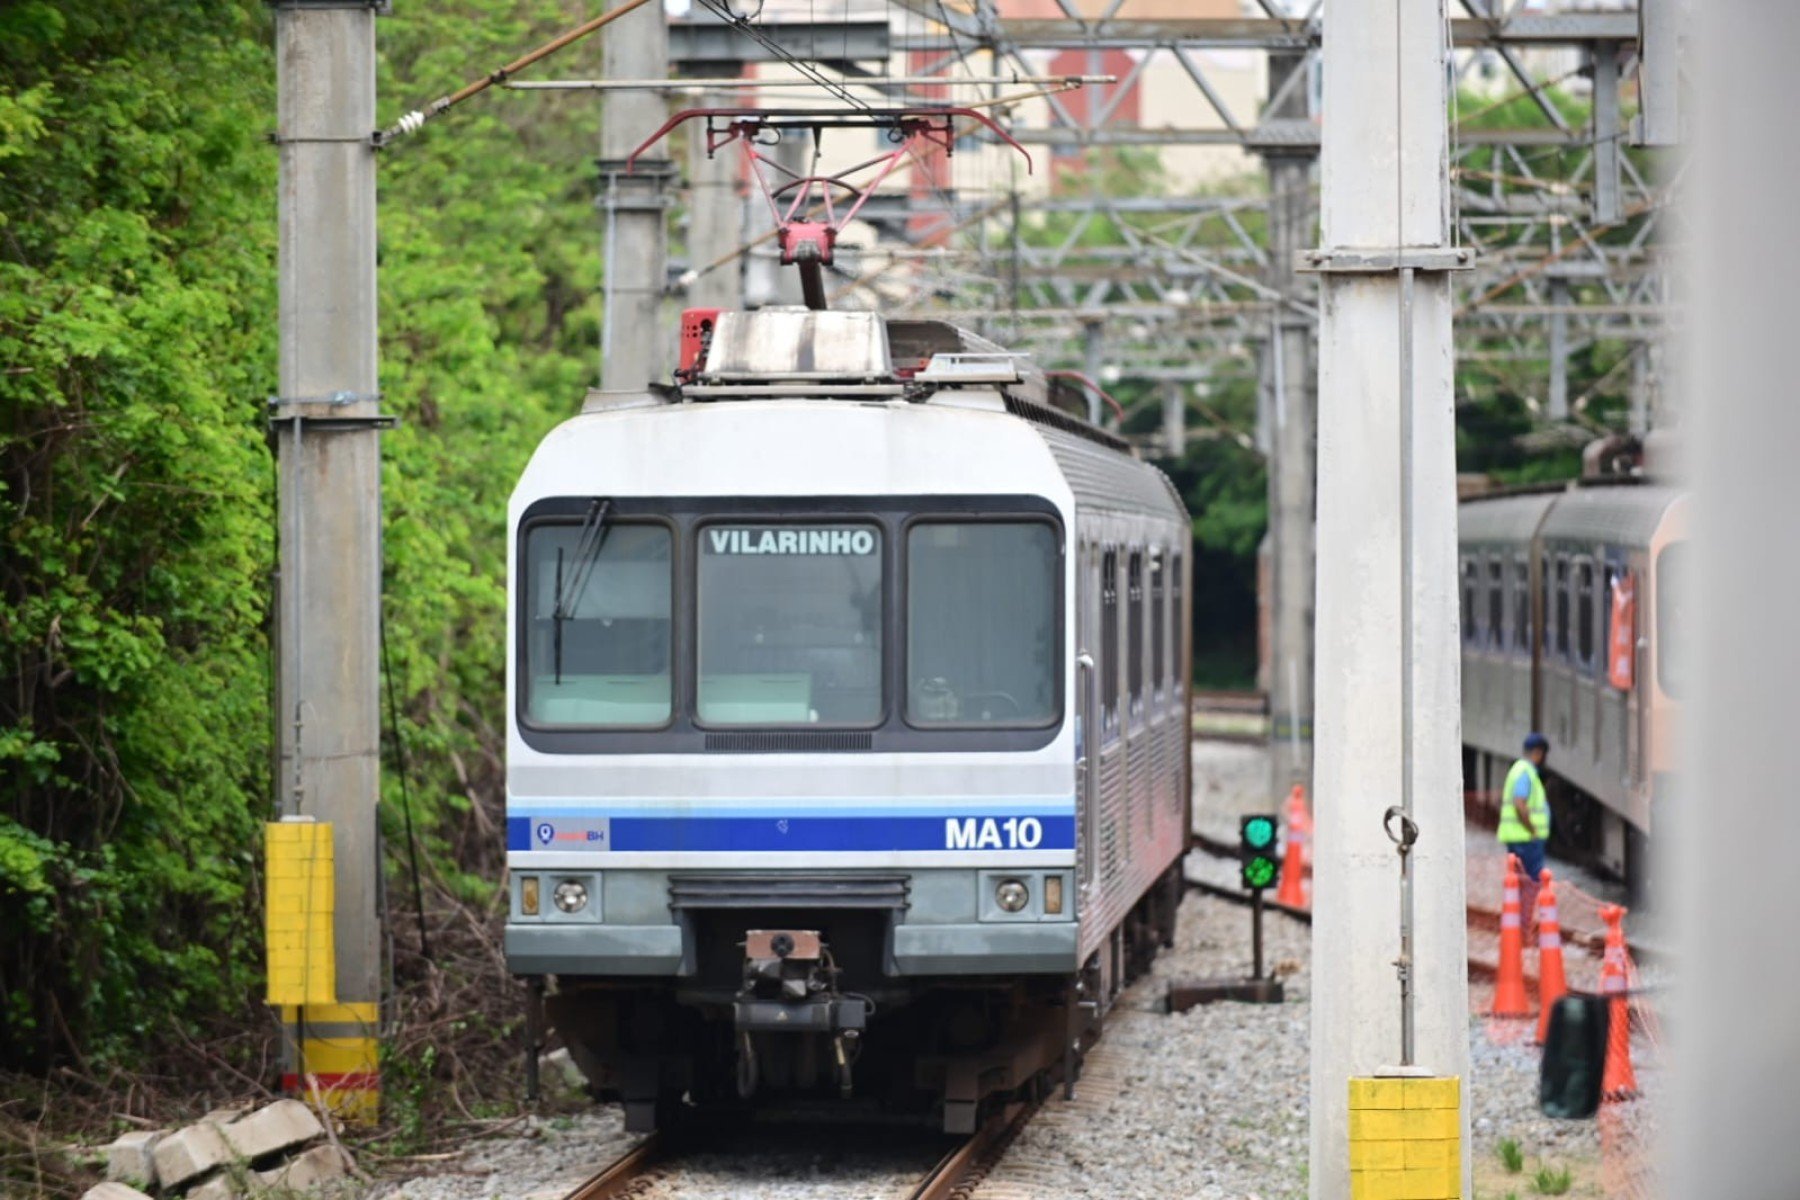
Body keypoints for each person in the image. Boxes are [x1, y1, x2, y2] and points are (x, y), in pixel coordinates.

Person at [1500, 732, 1552, 918]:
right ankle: (1524, 924)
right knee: (1531, 883)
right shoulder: (1526, 772)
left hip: (1517, 837)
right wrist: (1532, 829)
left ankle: (1518, 924)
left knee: (1518, 884)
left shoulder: (1517, 769)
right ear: (1538, 752)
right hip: (1526, 839)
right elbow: (1520, 802)